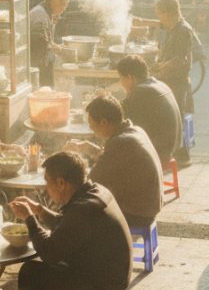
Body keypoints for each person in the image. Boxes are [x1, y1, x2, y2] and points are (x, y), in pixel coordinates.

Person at [12, 152, 131, 290]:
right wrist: (39, 210)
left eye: (47, 181)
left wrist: (29, 219)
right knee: (56, 266)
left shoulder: (82, 210)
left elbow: (49, 254)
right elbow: (68, 226)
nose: (45, 187)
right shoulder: (94, 191)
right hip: (110, 279)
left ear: (61, 183)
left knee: (31, 271)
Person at [64, 95, 163, 229]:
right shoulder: (134, 130)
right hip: (149, 205)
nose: (92, 131)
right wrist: (90, 149)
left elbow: (93, 180)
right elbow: (113, 160)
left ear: (104, 122)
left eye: (93, 126)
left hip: (139, 213)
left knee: (82, 206)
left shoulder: (121, 142)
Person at [149, 0, 197, 165]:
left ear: (168, 12)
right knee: (177, 117)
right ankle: (178, 153)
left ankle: (183, 156)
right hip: (171, 80)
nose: (158, 17)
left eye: (159, 13)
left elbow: (181, 59)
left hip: (178, 82)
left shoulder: (183, 30)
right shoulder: (173, 28)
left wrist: (160, 67)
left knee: (179, 118)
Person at [116, 54, 181, 165]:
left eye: (121, 78)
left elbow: (118, 117)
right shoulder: (159, 84)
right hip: (172, 148)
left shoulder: (141, 91)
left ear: (130, 77)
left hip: (159, 152)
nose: (121, 83)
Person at [30, 0, 71, 87]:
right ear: (52, 0)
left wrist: (57, 46)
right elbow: (39, 44)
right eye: (62, 3)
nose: (64, 7)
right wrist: (60, 50)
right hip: (35, 65)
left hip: (43, 63)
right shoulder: (40, 15)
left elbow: (46, 40)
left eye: (65, 4)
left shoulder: (48, 13)